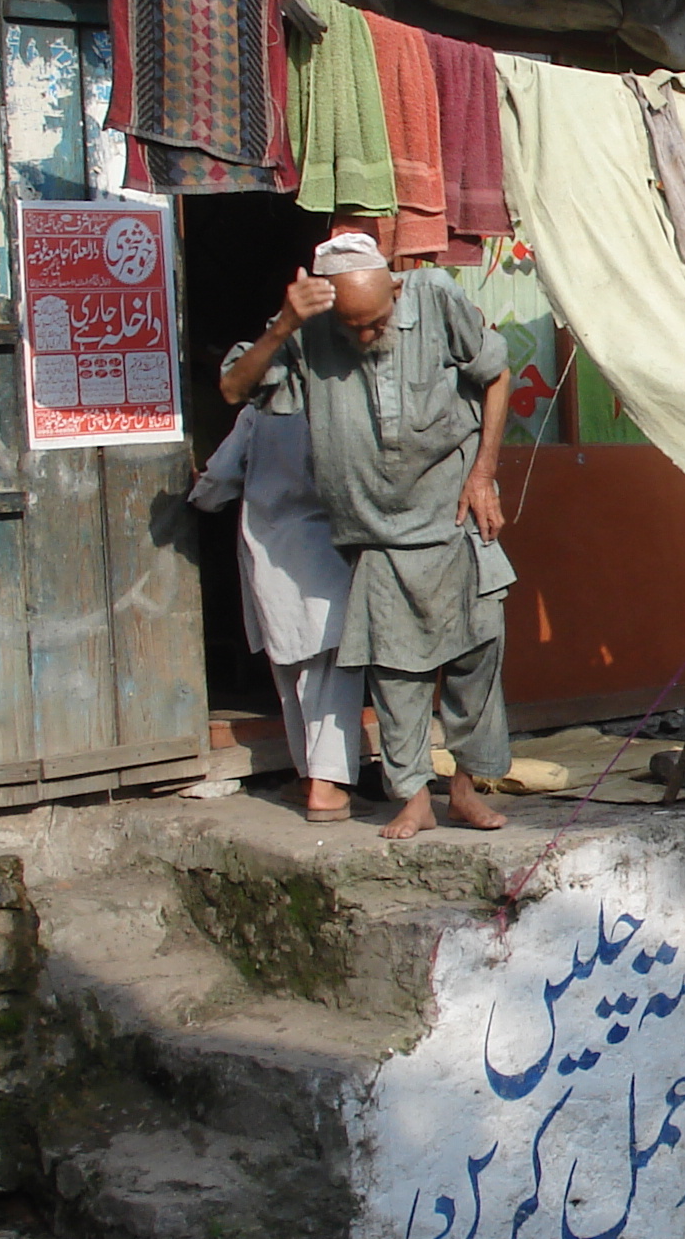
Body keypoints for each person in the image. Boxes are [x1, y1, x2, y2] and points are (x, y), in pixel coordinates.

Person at [220, 233, 515, 839]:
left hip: (456, 512)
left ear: (397, 290)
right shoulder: (309, 329)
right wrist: (283, 325)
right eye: (349, 326)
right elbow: (233, 389)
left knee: (477, 652)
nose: (362, 336)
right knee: (396, 672)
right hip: (376, 532)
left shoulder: (435, 298)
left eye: (374, 321)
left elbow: (496, 374)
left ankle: (463, 788)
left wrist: (484, 473)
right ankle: (411, 797)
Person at [189, 400, 363, 819]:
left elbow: (215, 485)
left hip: (272, 553)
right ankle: (326, 784)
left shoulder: (258, 413)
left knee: (293, 674)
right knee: (332, 670)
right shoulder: (338, 400)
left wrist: (199, 489)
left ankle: (309, 778)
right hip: (328, 551)